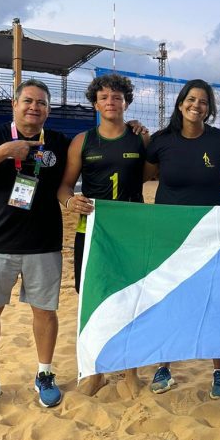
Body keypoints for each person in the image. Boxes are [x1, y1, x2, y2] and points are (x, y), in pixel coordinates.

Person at [0, 79, 70, 415]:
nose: (35, 107)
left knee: (45, 312)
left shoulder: (59, 142)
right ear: (14, 105)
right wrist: (5, 151)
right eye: (28, 101)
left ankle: (45, 374)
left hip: (43, 244)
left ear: (48, 110)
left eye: (42, 103)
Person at [144, 79, 220, 399]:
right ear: (180, 103)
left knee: (212, 301)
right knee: (168, 299)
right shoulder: (160, 142)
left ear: (209, 109)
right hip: (168, 235)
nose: (196, 105)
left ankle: (219, 370)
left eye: (203, 101)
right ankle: (163, 365)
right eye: (191, 99)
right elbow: (141, 174)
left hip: (208, 234)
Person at [57, 73, 148, 397]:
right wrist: (69, 201)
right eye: (105, 97)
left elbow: (159, 173)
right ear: (95, 103)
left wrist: (144, 133)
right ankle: (97, 371)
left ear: (126, 102)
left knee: (130, 300)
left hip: (131, 232)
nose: (111, 102)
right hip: (92, 232)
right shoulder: (83, 141)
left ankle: (130, 372)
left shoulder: (140, 139)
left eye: (117, 97)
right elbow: (65, 185)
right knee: (93, 301)